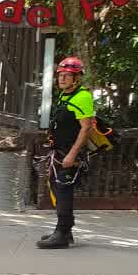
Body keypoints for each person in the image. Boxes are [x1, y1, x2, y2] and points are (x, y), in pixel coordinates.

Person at [40, 56, 96, 250]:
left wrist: (72, 154)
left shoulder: (82, 97)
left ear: (77, 78)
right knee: (56, 187)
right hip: (59, 150)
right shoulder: (65, 95)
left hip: (71, 153)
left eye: (68, 76)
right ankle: (65, 230)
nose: (62, 79)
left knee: (64, 189)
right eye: (61, 75)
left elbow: (86, 128)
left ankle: (62, 233)